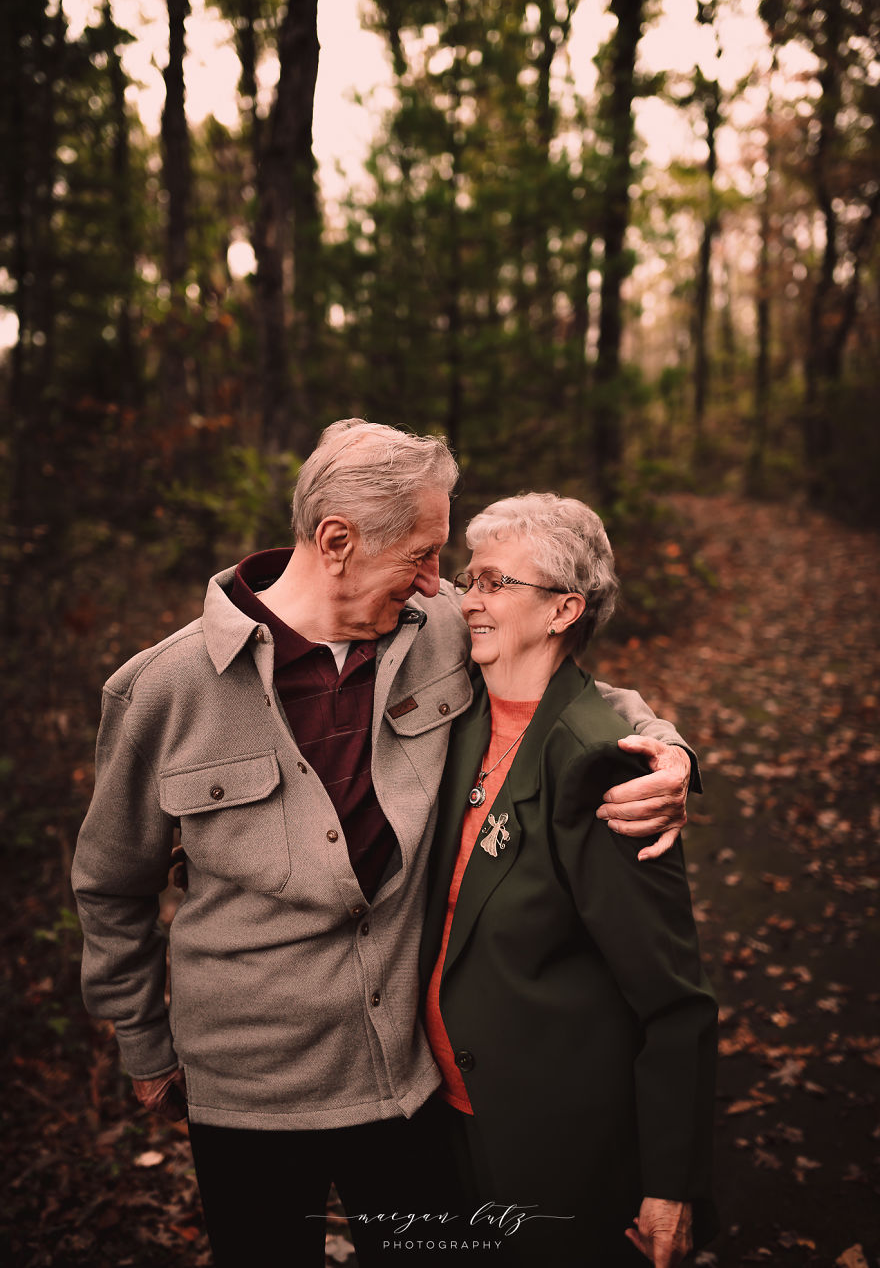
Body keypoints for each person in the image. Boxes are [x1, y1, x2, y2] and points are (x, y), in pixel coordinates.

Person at [71, 421, 699, 1268]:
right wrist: (142, 1035)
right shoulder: (164, 690)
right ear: (337, 542)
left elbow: (565, 682)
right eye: (422, 555)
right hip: (247, 1092)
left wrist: (665, 749)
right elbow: (112, 883)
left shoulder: (434, 629)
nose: (441, 583)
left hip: (404, 1080)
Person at [419, 492, 717, 1268]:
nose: (469, 598)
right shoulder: (453, 719)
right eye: (468, 577)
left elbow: (674, 998)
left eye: (493, 583)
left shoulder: (603, 767)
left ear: (564, 611)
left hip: (554, 1137)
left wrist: (670, 1183)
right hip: (440, 1115)